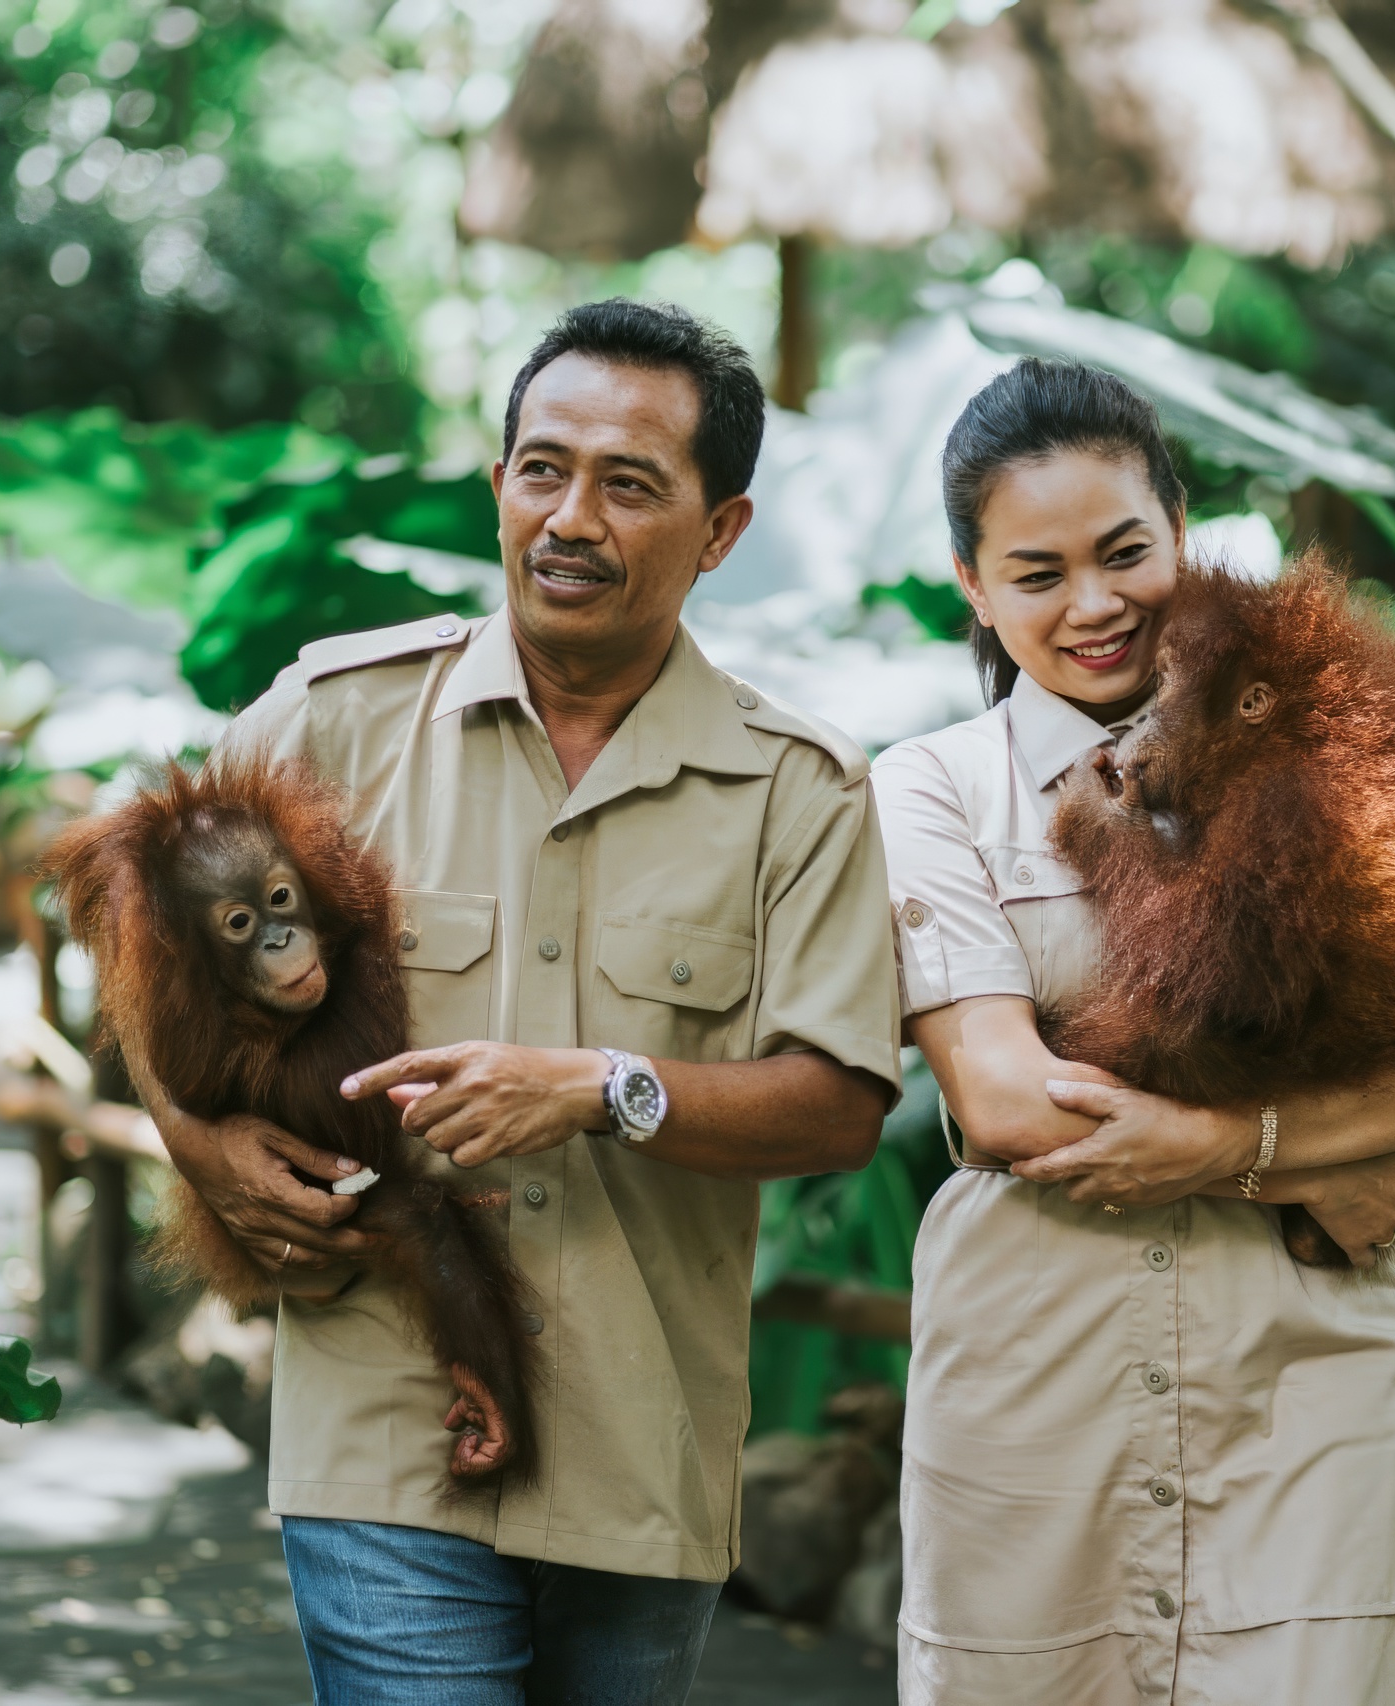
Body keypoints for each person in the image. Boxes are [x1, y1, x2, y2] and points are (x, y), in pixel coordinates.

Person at [135, 299, 903, 1704]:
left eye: (630, 484)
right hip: (384, 1425)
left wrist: (608, 1087)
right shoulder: (333, 719)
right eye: (542, 470)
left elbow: (841, 1103)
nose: (571, 517)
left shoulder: (802, 791)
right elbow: (144, 929)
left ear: (720, 530)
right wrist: (198, 1139)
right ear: (497, 488)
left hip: (643, 1445)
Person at [872, 359, 1395, 1704]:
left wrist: (1223, 1135)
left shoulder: (1320, 739)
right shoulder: (932, 789)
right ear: (973, 587)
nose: (1093, 605)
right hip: (1039, 1380)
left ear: (1182, 535)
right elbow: (1001, 1100)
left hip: (1304, 1376)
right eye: (1036, 572)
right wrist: (1301, 1159)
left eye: (1125, 554)